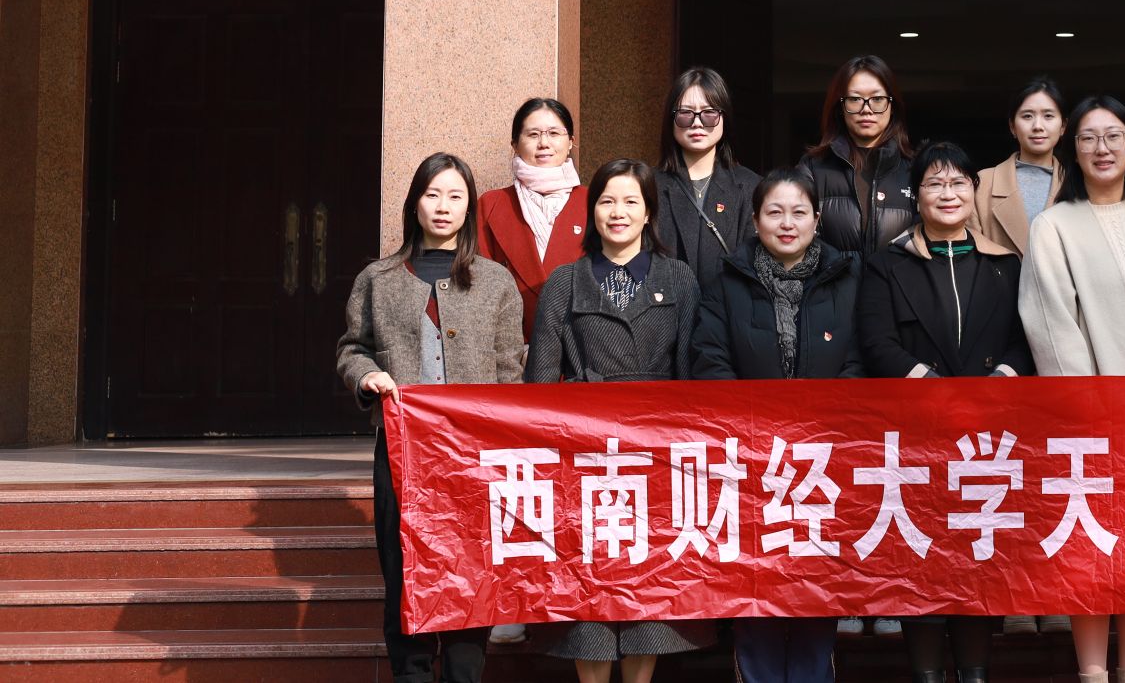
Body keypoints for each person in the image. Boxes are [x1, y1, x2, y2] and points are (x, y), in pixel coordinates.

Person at [1020, 94, 1125, 683]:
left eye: (1114, 135)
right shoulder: (1053, 225)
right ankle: (1093, 672)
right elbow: (1050, 324)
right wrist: (1089, 409)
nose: (1103, 148)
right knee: (1091, 546)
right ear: (1073, 148)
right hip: (1089, 423)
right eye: (1090, 137)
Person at [338, 152, 523, 683]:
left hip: (474, 455)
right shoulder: (378, 279)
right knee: (403, 573)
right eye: (432, 194)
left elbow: (510, 369)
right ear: (414, 203)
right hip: (403, 451)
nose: (443, 206)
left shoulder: (495, 282)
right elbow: (352, 348)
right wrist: (367, 376)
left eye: (455, 196)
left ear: (469, 208)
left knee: (471, 573)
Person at [859, 142, 1033, 683]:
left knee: (979, 555)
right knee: (923, 557)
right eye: (935, 183)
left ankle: (975, 673)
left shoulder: (1005, 265)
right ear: (917, 195)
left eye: (959, 183)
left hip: (987, 438)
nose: (948, 193)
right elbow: (877, 341)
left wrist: (999, 382)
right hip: (918, 434)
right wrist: (932, 388)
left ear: (974, 192)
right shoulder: (887, 265)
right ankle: (927, 674)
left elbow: (1026, 338)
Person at [525, 158, 700, 682]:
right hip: (584, 454)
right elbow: (540, 382)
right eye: (606, 201)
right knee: (590, 582)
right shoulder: (564, 281)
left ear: (649, 212)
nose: (617, 212)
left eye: (630, 201)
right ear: (591, 211)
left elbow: (691, 374)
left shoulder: (679, 277)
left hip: (658, 451)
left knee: (649, 580)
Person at [694, 168, 863, 683]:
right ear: (754, 220)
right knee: (756, 586)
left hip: (823, 460)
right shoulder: (727, 281)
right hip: (750, 461)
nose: (787, 223)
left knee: (817, 586)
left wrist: (826, 419)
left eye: (798, 213)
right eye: (774, 212)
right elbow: (710, 360)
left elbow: (860, 358)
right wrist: (751, 426)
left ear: (817, 219)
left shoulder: (848, 277)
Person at [476, 96, 589, 338]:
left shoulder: (594, 202)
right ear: (515, 144)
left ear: (570, 141)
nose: (544, 143)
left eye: (554, 133)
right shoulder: (492, 204)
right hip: (514, 346)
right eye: (533, 134)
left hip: (580, 346)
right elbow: (481, 287)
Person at [799, 54, 917, 255]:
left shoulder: (914, 169)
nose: (866, 109)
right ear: (840, 107)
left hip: (897, 277)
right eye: (854, 99)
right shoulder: (812, 168)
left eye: (877, 99)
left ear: (892, 106)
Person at [654, 65, 761, 281]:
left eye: (709, 113)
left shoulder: (751, 186)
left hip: (729, 301)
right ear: (671, 120)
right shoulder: (648, 184)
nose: (696, 123)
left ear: (724, 118)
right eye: (685, 113)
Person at [974, 76, 1067, 255]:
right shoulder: (982, 183)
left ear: (1063, 126)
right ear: (1012, 126)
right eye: (1027, 116)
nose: (1037, 126)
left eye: (1048, 116)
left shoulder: (1078, 181)